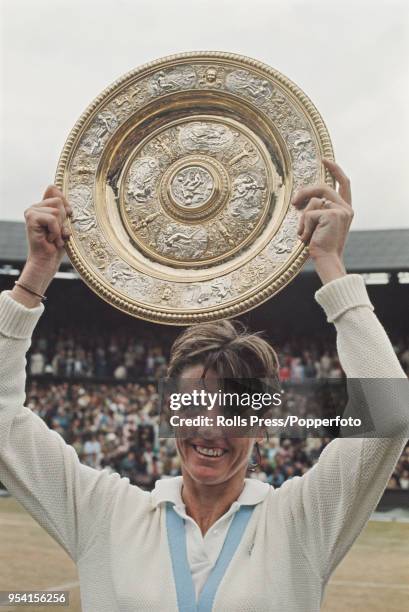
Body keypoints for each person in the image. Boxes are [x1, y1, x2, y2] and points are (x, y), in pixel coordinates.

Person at [0, 159, 407, 612]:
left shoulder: (300, 521)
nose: (210, 429)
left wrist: (330, 264)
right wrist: (34, 276)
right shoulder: (107, 514)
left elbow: (389, 413)